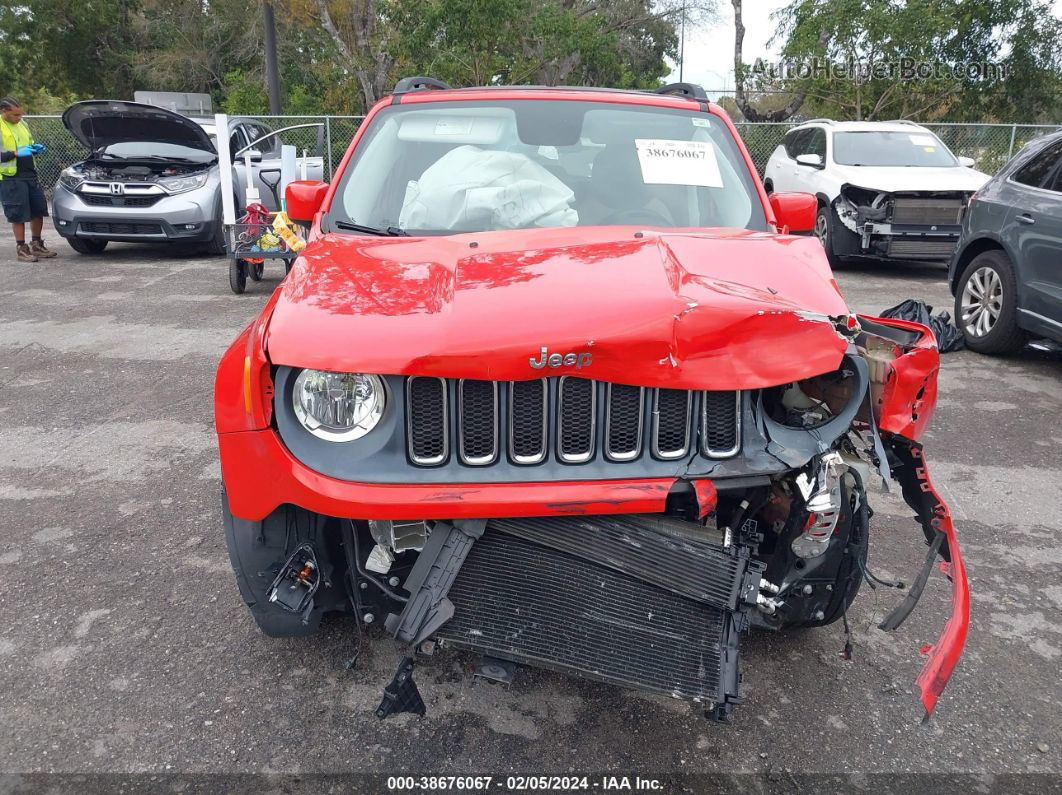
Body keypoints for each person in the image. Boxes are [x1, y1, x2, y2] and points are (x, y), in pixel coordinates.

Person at [0, 97, 58, 262]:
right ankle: (22, 248)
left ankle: (37, 244)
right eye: (15, 115)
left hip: (30, 174)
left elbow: (28, 143)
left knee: (38, 209)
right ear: (4, 111)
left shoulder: (23, 124)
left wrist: (33, 148)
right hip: (10, 176)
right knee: (18, 213)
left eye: (21, 114)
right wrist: (15, 153)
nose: (19, 118)